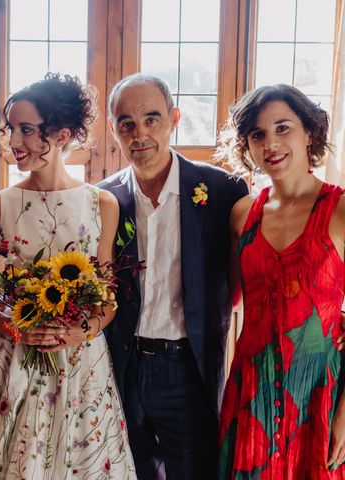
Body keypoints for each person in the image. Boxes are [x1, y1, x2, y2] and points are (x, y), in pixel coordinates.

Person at [0, 73, 136, 479]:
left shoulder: (103, 204)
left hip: (81, 367)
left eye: (26, 130)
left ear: (61, 135)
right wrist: (15, 329)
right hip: (12, 364)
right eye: (11, 129)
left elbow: (106, 298)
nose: (13, 141)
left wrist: (82, 330)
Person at [98, 73, 248, 479]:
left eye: (152, 119)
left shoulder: (223, 190)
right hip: (122, 364)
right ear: (113, 129)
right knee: (129, 470)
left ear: (174, 118)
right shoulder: (104, 197)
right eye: (126, 123)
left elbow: (238, 287)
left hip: (190, 365)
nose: (139, 134)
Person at [216, 84, 345, 478]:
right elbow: (232, 298)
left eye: (283, 128)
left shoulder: (340, 210)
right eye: (257, 134)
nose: (270, 142)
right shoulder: (242, 215)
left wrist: (344, 417)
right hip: (250, 391)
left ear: (309, 132)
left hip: (319, 393)